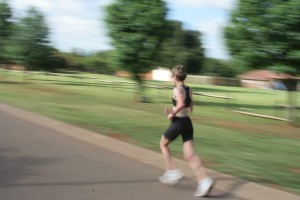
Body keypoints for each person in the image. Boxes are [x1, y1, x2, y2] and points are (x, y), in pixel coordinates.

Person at [159, 65, 214, 197]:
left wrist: (172, 112)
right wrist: (176, 110)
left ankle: (172, 172)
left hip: (178, 122)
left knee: (163, 144)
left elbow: (182, 104)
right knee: (190, 155)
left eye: (172, 76)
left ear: (176, 77)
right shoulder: (188, 89)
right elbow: (190, 109)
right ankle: (204, 181)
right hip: (187, 123)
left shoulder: (177, 89)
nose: (171, 78)